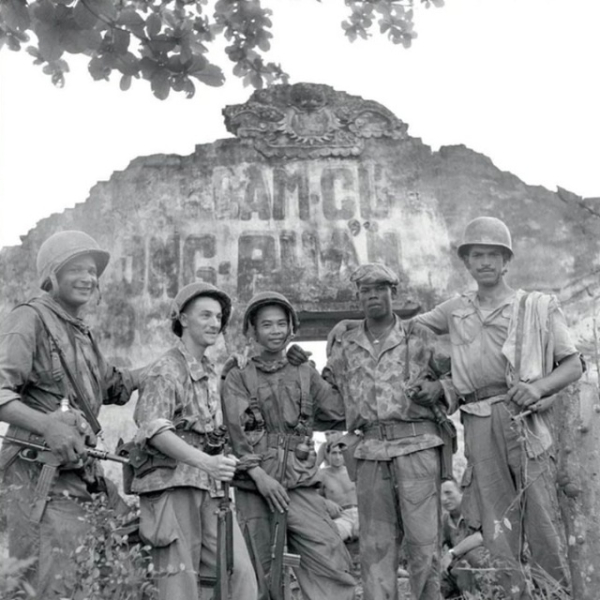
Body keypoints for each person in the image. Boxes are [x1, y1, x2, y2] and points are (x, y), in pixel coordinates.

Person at [412, 217, 582, 598]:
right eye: (476, 255)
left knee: (541, 514)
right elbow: (409, 330)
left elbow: (573, 365)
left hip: (525, 419)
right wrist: (350, 330)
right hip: (476, 419)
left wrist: (537, 388)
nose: (485, 262)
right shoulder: (455, 309)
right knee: (496, 520)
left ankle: (554, 593)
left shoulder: (536, 306)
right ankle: (514, 593)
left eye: (493, 255)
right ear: (467, 263)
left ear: (506, 261)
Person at [0, 230, 143, 599]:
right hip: (39, 482)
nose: (87, 278)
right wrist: (48, 425)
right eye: (75, 269)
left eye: (92, 271)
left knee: (133, 559)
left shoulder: (81, 332)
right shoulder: (28, 319)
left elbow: (113, 385)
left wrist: (162, 368)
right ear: (53, 274)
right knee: (51, 586)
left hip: (85, 478)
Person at [319, 263, 455, 600]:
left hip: (418, 447)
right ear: (358, 297)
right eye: (365, 291)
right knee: (375, 549)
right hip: (371, 452)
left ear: (393, 293)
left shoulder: (418, 336)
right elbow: (326, 395)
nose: (373, 296)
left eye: (380, 289)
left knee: (425, 545)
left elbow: (457, 377)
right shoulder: (345, 343)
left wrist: (440, 389)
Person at [221, 291, 357, 600]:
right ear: (252, 331)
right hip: (254, 486)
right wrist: (260, 477)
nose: (275, 331)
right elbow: (236, 433)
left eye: (282, 324)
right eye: (266, 325)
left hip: (299, 484)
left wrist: (333, 363)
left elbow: (336, 410)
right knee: (260, 571)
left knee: (330, 557)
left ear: (291, 328)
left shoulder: (304, 370)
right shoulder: (238, 374)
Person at [132, 282, 257, 600]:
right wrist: (206, 462)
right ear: (183, 319)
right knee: (179, 585)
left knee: (239, 576)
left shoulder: (210, 370)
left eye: (218, 317)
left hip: (210, 487)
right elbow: (154, 429)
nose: (215, 323)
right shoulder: (166, 369)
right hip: (173, 485)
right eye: (205, 315)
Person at [439, 478, 487, 599]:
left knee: (470, 559)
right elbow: (436, 545)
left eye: (448, 493)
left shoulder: (472, 511)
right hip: (457, 570)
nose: (444, 499)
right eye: (441, 495)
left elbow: (479, 538)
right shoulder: (444, 520)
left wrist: (451, 554)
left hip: (479, 566)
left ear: (461, 491)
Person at [318, 438, 359, 542]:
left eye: (340, 453)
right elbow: (314, 498)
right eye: (334, 453)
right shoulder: (322, 475)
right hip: (341, 517)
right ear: (327, 455)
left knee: (372, 534)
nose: (337, 457)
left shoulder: (353, 472)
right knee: (331, 536)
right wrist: (326, 502)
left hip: (359, 513)